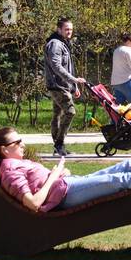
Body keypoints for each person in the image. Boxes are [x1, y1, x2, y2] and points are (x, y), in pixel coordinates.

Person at [0, 126, 131, 212]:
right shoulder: (9, 171)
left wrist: (59, 174)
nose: (23, 144)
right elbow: (33, 203)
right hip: (65, 196)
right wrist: (54, 175)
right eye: (18, 143)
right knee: (122, 180)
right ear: (5, 150)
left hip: (67, 185)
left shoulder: (16, 163)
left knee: (127, 164)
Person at [43, 17, 88, 157]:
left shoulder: (63, 43)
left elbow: (67, 67)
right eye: (66, 29)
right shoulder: (55, 44)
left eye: (71, 29)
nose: (69, 32)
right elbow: (56, 66)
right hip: (57, 85)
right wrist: (73, 80)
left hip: (63, 85)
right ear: (59, 29)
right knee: (70, 112)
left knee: (57, 114)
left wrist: (73, 86)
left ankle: (58, 146)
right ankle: (59, 143)